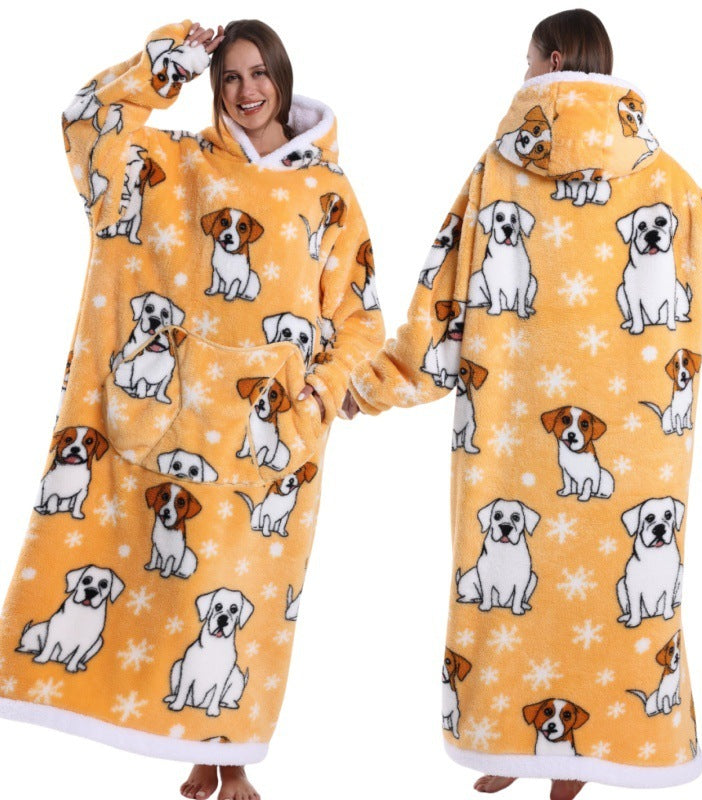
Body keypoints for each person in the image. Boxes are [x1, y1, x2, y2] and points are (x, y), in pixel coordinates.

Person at [344, 8, 702, 799]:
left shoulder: (497, 171)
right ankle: (552, 751)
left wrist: (372, 385)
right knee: (583, 594)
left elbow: (442, 298)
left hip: (510, 432)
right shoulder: (658, 174)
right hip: (637, 443)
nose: (521, 76)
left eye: (526, 62)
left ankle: (537, 749)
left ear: (552, 61)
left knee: (515, 598)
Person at [0, 19, 384, 800]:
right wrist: (164, 61)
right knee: (173, 590)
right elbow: (86, 122)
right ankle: (203, 757)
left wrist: (321, 391)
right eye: (230, 76)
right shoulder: (175, 163)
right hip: (170, 418)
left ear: (281, 76)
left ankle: (231, 762)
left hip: (269, 428)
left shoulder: (327, 190)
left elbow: (359, 313)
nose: (247, 91)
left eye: (259, 73)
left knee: (242, 596)